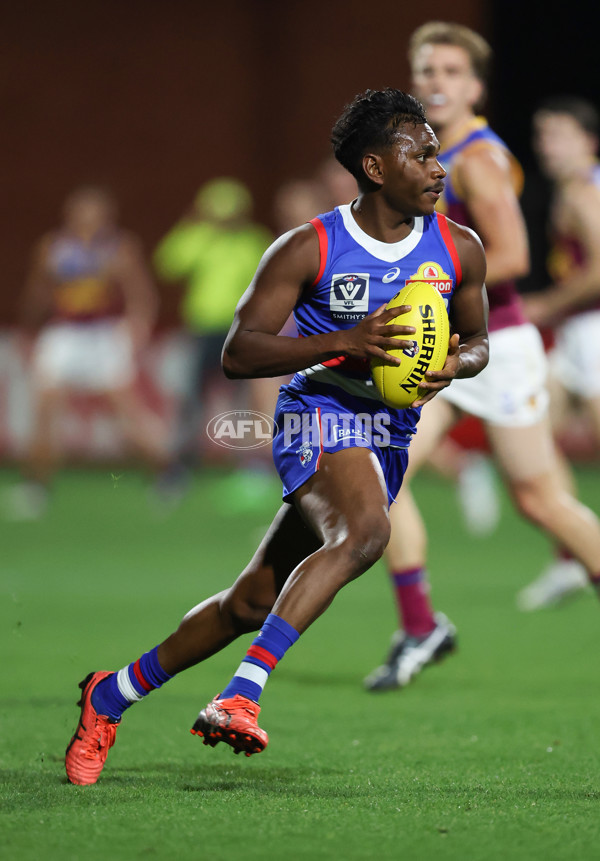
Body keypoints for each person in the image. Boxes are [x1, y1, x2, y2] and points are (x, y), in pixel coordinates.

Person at [64, 87, 490, 785]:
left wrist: (451, 362)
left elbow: (478, 342)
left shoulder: (459, 247)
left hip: (388, 429)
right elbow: (240, 351)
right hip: (314, 413)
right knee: (366, 533)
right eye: (421, 155)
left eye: (436, 153)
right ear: (376, 167)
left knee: (250, 602)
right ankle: (242, 693)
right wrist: (345, 341)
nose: (438, 168)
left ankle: (109, 694)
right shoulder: (310, 246)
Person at [365, 23, 600, 691]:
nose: (434, 81)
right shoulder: (428, 151)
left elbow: (516, 256)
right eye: (425, 70)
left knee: (542, 501)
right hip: (446, 344)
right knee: (385, 478)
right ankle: (419, 626)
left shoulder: (478, 158)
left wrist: (420, 285)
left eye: (449, 71)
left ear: (474, 86)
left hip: (498, 347)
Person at [6, 185, 167, 519]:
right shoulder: (53, 248)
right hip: (63, 334)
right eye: (82, 210)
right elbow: (38, 291)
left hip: (103, 335)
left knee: (126, 414)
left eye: (94, 211)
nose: (88, 218)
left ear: (106, 215)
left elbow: (140, 292)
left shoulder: (119, 247)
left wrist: (138, 323)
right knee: (45, 409)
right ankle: (37, 485)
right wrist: (29, 331)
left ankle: (165, 473)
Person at [516, 96, 600, 608]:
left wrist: (544, 303)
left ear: (589, 141)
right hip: (576, 335)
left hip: (592, 330)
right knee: (533, 441)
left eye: (560, 135)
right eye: (543, 136)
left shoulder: (584, 194)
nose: (548, 146)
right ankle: (569, 557)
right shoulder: (574, 188)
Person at [153, 177, 273, 499]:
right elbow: (167, 264)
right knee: (190, 401)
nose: (224, 220)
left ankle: (249, 468)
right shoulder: (199, 237)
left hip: (237, 332)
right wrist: (191, 226)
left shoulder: (253, 242)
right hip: (201, 332)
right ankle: (181, 467)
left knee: (241, 404)